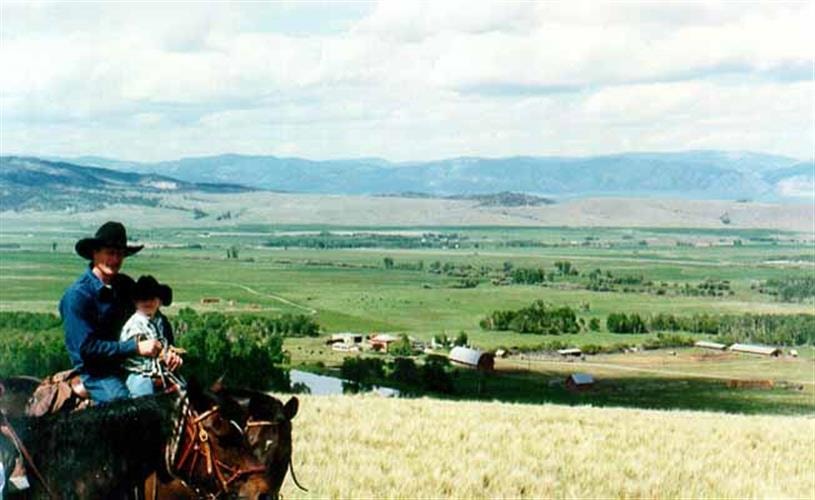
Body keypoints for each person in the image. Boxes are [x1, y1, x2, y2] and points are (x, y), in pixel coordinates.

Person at [59, 221, 163, 403]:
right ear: (95, 253)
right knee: (127, 410)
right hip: (97, 372)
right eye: (110, 253)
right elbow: (86, 348)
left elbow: (153, 316)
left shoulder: (125, 285)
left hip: (130, 364)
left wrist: (166, 350)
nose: (115, 260)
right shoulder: (77, 296)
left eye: (120, 254)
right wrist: (135, 347)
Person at [120, 275, 182, 397]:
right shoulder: (134, 325)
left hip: (163, 371)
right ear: (135, 302)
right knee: (144, 396)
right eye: (143, 299)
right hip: (139, 372)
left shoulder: (162, 322)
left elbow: (169, 345)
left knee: (184, 389)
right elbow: (141, 350)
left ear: (160, 301)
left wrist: (174, 356)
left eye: (152, 298)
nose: (148, 302)